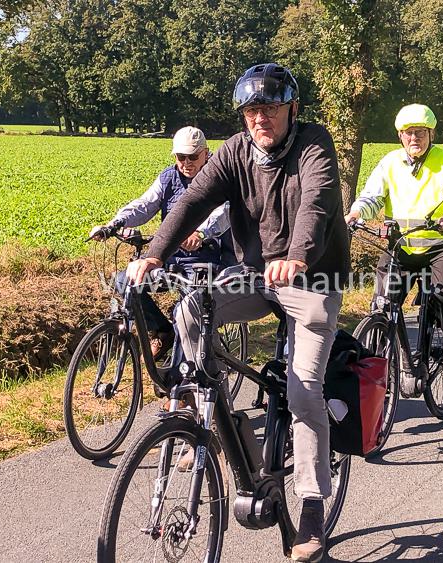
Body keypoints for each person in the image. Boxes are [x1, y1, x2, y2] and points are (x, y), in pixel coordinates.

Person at [126, 62, 350, 562]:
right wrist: (155, 253)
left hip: (312, 276)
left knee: (302, 391)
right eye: (251, 110)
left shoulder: (315, 144)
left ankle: (311, 510)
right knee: (190, 309)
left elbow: (316, 203)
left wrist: (297, 255)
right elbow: (193, 200)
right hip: (256, 274)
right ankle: (213, 411)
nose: (259, 119)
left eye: (269, 108)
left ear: (292, 108)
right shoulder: (234, 151)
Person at [344, 103, 443, 388]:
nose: (413, 138)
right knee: (382, 304)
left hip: (442, 245)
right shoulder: (389, 163)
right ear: (400, 136)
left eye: (419, 132)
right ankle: (388, 365)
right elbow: (372, 196)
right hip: (401, 247)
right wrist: (356, 213)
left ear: (431, 134)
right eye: (407, 133)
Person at [90, 126, 230, 363]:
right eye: (180, 157)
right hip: (169, 257)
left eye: (193, 156)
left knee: (185, 314)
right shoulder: (168, 178)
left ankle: (181, 384)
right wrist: (114, 224)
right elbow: (145, 204)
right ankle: (162, 331)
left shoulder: (217, 178)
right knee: (125, 282)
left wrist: (201, 233)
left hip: (204, 260)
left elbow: (223, 212)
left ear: (206, 153)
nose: (186, 162)